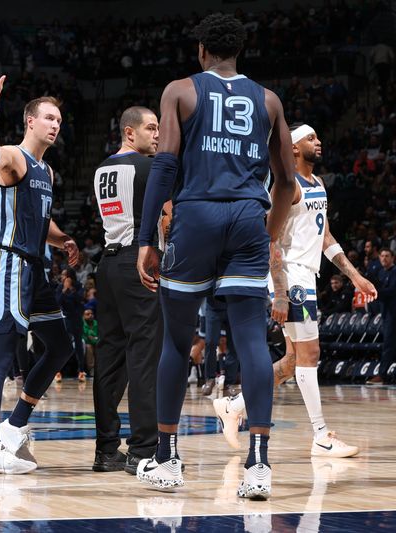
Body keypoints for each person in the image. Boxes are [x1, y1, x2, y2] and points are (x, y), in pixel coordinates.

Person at [134, 13, 298, 500]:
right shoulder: (268, 100)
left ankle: (166, 459)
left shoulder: (180, 91)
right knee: (251, 341)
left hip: (198, 216)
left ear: (203, 51)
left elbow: (164, 165)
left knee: (176, 343)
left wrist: (147, 238)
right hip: (249, 217)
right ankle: (260, 465)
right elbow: (287, 182)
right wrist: (268, 235)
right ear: (239, 52)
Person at [214, 125, 378, 457]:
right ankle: (320, 435)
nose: (319, 142)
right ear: (292, 148)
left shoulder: (317, 184)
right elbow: (270, 241)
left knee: (291, 362)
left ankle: (234, 405)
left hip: (307, 276)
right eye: (311, 138)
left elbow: (326, 238)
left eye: (319, 137)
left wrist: (355, 277)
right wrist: (280, 292)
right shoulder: (286, 189)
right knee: (310, 356)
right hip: (293, 281)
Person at [0, 88, 79, 474]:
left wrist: (63, 238)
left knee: (60, 347)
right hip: (8, 261)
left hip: (35, 267)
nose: (55, 125)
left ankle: (15, 424)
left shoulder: (46, 171)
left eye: (59, 121)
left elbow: (41, 219)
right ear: (30, 121)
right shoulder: (14, 158)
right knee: (3, 350)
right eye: (49, 118)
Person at [90, 106, 164, 474]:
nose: (157, 135)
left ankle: (106, 450)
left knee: (109, 358)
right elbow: (168, 215)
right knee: (144, 356)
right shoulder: (149, 167)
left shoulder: (102, 168)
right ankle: (143, 449)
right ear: (129, 133)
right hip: (139, 260)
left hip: (107, 263)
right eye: (151, 128)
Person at [367, 248, 395, 384]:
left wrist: (376, 292)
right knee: (388, 345)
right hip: (386, 313)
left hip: (393, 314)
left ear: (393, 258)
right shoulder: (380, 272)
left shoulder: (395, 272)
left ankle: (382, 375)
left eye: (387, 256)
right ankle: (384, 374)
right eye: (382, 256)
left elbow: (391, 291)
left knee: (388, 345)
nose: (384, 258)